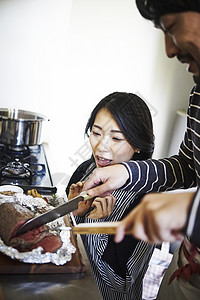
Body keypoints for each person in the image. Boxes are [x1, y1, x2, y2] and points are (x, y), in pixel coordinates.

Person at [83, 1, 200, 299]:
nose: (169, 51)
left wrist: (191, 209)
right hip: (188, 266)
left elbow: (121, 284)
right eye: (96, 133)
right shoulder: (198, 91)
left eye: (171, 27)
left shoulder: (140, 203)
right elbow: (187, 165)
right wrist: (126, 171)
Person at [66, 91, 155, 300]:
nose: (101, 146)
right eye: (96, 133)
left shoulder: (147, 203)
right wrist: (74, 212)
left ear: (138, 144)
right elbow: (64, 243)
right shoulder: (85, 171)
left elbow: (121, 283)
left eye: (116, 138)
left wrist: (97, 227)